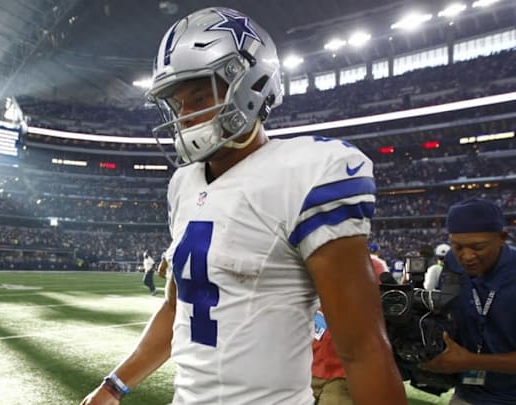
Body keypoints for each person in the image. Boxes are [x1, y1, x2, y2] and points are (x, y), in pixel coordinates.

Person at [80, 7, 406, 405]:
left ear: (251, 84)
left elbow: (363, 350)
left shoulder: (310, 172)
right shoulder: (182, 184)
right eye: (178, 106)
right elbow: (177, 306)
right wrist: (114, 386)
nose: (186, 117)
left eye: (200, 96)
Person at [420, 198, 516, 404]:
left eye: (478, 247)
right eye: (457, 246)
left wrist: (472, 361)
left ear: (502, 237)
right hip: (466, 394)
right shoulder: (453, 262)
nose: (467, 256)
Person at [311, 248, 388, 404]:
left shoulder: (372, 265)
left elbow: (380, 304)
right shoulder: (315, 263)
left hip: (344, 371)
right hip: (311, 365)